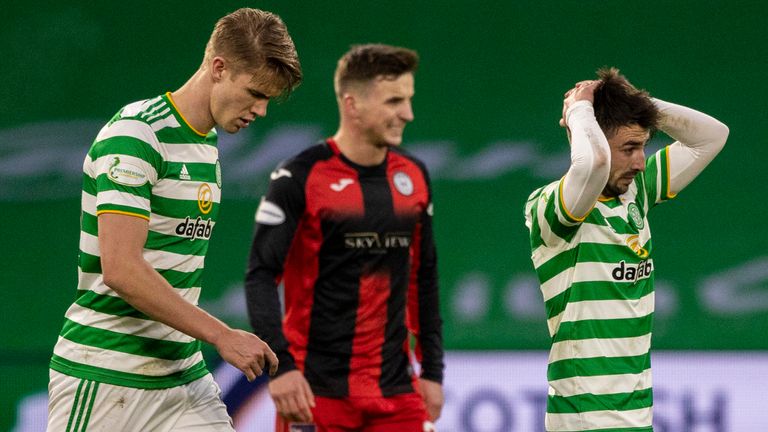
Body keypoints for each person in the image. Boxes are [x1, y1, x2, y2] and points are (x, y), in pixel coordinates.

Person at [46, 8, 302, 432]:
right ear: (218, 68)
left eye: (267, 100)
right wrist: (222, 335)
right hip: (107, 376)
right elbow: (122, 270)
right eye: (255, 93)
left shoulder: (205, 144)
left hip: (182, 378)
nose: (260, 110)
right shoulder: (136, 135)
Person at [244, 43, 444, 432]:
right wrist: (281, 367)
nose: (408, 113)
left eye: (408, 99)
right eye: (394, 101)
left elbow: (425, 278)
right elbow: (261, 275)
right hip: (314, 395)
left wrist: (432, 371)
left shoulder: (414, 177)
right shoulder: (299, 176)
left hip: (397, 394)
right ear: (352, 104)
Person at [524, 68, 729, 431]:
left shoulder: (637, 193)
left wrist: (641, 103)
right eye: (629, 148)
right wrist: (578, 112)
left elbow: (711, 137)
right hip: (586, 416)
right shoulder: (552, 208)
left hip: (636, 412)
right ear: (592, 142)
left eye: (643, 147)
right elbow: (594, 164)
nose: (640, 161)